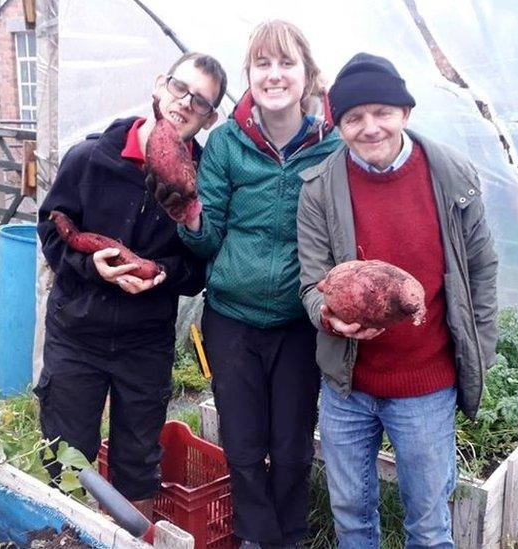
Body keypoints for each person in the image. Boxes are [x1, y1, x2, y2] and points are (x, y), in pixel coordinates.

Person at [296, 53, 498, 547]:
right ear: (337, 124)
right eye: (352, 118)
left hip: (425, 383)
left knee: (428, 524)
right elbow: (310, 283)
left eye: (381, 112)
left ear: (405, 112)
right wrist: (327, 317)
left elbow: (482, 270)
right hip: (348, 385)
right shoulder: (320, 189)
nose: (370, 128)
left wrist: (480, 350)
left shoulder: (453, 176)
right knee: (350, 513)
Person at [170, 20, 340, 547]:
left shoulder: (331, 146)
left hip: (297, 322)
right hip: (232, 318)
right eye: (263, 64)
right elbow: (208, 238)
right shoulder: (225, 143)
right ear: (250, 74)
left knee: (291, 444)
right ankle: (252, 534)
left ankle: (288, 535)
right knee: (243, 443)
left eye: (286, 63)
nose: (274, 74)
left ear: (306, 74)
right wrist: (190, 215)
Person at [35, 52, 227, 518]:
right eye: (180, 89)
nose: (185, 103)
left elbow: (202, 267)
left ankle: (127, 539)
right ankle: (67, 534)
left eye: (200, 102)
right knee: (66, 456)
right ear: (160, 85)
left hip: (145, 341)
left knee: (138, 462)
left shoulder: (203, 183)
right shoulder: (90, 158)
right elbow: (51, 229)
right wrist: (90, 268)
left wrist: (162, 275)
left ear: (210, 118)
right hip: (76, 331)